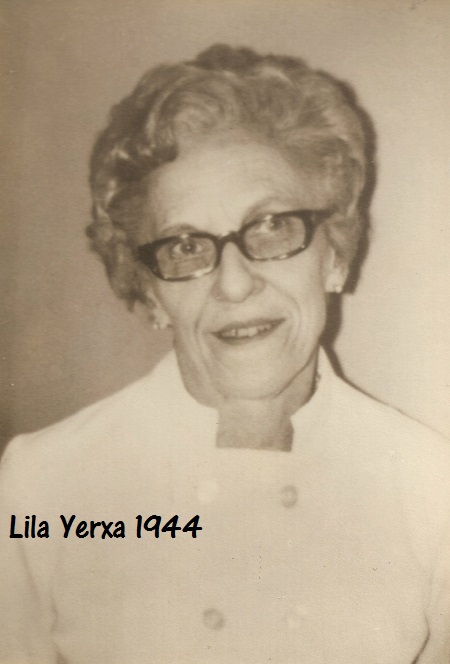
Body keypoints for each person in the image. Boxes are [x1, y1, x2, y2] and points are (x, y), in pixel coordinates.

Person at [1, 44, 449, 664]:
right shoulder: (42, 486)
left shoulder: (433, 489)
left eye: (272, 226)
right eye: (185, 246)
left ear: (336, 256)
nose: (234, 284)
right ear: (150, 291)